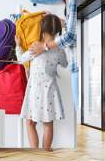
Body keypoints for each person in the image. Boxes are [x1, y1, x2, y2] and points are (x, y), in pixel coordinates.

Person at [16, 14, 68, 151]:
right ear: (58, 31)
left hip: (35, 91)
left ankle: (35, 152)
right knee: (48, 123)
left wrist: (17, 46)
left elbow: (21, 60)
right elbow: (65, 64)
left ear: (41, 30)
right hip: (50, 91)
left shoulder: (35, 47)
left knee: (30, 123)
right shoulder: (59, 49)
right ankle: (46, 151)